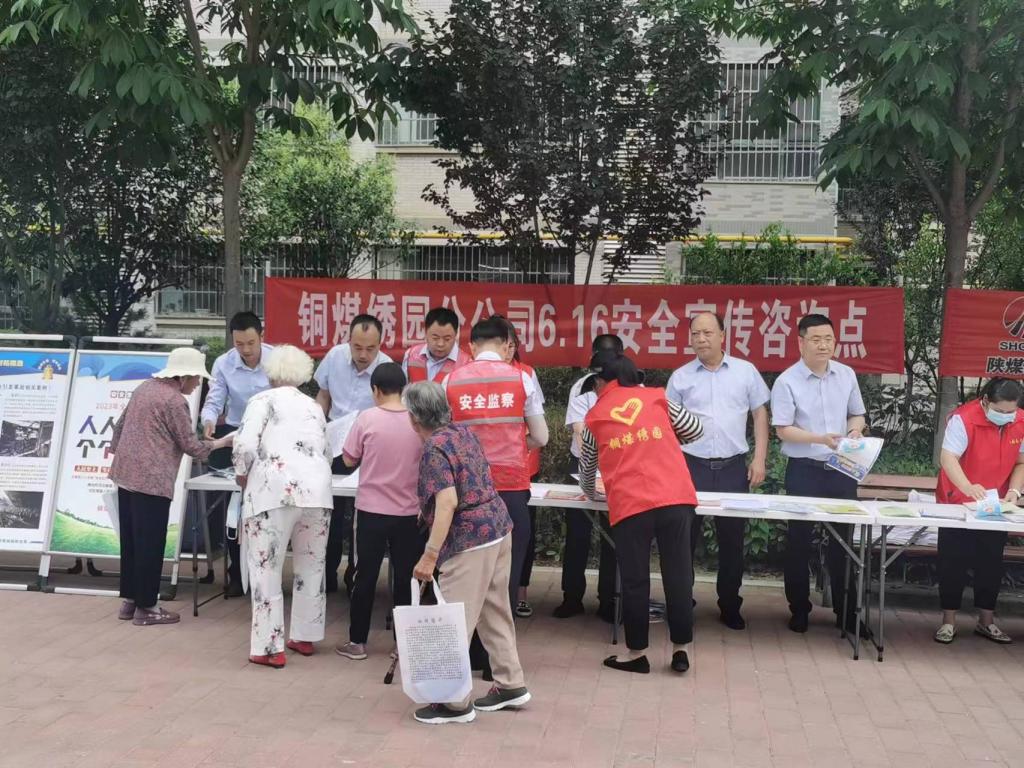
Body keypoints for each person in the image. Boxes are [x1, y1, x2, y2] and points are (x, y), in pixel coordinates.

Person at [406, 382, 530, 724]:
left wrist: (430, 555)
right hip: (498, 526)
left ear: (414, 419)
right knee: (495, 610)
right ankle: (510, 683)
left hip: (469, 539)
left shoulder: (434, 448)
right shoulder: (462, 432)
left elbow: (447, 502)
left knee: (454, 619)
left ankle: (454, 702)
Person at [579, 353, 704, 674]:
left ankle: (637, 653)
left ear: (604, 381)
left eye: (595, 382)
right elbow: (696, 429)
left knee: (635, 580)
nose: (595, 388)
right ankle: (681, 650)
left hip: (631, 504)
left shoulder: (594, 417)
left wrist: (592, 494)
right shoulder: (658, 399)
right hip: (675, 497)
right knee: (679, 574)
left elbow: (587, 469)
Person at [109, 347, 231, 626]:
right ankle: (148, 608)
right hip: (152, 481)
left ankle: (130, 601)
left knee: (132, 541)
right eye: (197, 378)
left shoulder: (144, 388)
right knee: (151, 544)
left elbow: (119, 427)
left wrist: (122, 455)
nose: (198, 383)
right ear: (184, 376)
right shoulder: (175, 401)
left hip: (125, 475)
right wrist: (223, 443)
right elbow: (192, 446)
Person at [666, 312, 770, 630]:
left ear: (723, 335)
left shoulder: (745, 372)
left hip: (732, 467)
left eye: (708, 333)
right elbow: (667, 425)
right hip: (691, 467)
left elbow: (760, 415)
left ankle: (729, 605)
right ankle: (682, 602)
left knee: (732, 541)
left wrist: (759, 459)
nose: (701, 339)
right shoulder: (680, 377)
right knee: (683, 540)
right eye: (696, 334)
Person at [232, 345, 333, 669]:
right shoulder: (314, 407)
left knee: (266, 567)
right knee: (312, 566)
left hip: (272, 491)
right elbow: (326, 451)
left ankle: (268, 646)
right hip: (317, 493)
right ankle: (305, 635)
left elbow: (245, 444)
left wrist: (241, 472)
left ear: (271, 372)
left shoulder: (261, 400)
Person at [443, 317, 548, 610]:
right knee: (506, 572)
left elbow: (442, 436)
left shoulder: (451, 380)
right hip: (511, 487)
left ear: (471, 347)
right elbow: (541, 436)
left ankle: (467, 633)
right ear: (505, 345)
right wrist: (518, 445)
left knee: (465, 570)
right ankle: (500, 631)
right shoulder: (521, 379)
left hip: (466, 489)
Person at [771, 314, 867, 636]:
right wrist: (819, 438)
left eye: (828, 339)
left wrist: (854, 431)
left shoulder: (846, 374)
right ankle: (799, 609)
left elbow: (857, 413)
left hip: (841, 470)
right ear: (800, 342)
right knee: (799, 542)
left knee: (844, 543)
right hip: (804, 471)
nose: (823, 345)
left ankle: (847, 612)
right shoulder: (787, 381)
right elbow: (783, 429)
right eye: (816, 339)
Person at [336, 363, 425, 661]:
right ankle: (403, 645)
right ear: (404, 388)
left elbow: (348, 459)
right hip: (409, 513)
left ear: (375, 390)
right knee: (406, 579)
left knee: (365, 576)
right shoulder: (417, 420)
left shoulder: (366, 418)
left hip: (371, 511)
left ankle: (357, 642)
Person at [934, 378, 1024, 645]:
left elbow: (1021, 462)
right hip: (957, 500)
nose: (1006, 416)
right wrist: (967, 486)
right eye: (1000, 410)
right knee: (952, 560)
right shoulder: (963, 419)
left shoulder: (1020, 421)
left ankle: (986, 621)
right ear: (985, 401)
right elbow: (948, 458)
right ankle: (948, 621)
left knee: (991, 561)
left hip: (994, 504)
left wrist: (1015, 490)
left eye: (1011, 411)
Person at [314, 314, 392, 595]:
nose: (363, 355)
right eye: (357, 347)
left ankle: (355, 576)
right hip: (334, 445)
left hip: (369, 450)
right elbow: (323, 395)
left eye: (370, 349)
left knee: (362, 516)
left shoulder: (387, 368)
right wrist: (316, 424)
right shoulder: (335, 357)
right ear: (348, 341)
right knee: (329, 511)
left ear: (380, 344)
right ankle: (327, 574)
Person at [200, 310, 273, 596]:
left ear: (262, 337)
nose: (246, 350)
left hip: (269, 436)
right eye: (239, 344)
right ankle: (236, 573)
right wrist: (208, 420)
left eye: (251, 343)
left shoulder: (276, 360)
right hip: (236, 434)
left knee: (265, 507)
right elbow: (215, 398)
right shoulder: (223, 363)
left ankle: (264, 573)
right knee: (236, 506)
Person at [556, 334, 623, 621]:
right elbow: (580, 431)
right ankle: (572, 598)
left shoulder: (633, 387)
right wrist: (591, 471)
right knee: (577, 535)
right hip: (582, 464)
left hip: (618, 467)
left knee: (615, 537)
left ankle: (609, 601)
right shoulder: (582, 386)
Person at [492, 315, 545, 619]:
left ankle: (520, 592)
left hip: (522, 466)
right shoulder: (473, 376)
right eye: (503, 344)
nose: (508, 350)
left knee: (522, 531)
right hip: (487, 473)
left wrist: (518, 445)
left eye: (512, 345)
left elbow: (536, 426)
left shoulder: (526, 374)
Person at [401, 307, 471, 383]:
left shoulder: (466, 364)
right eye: (435, 338)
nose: (440, 344)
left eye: (447, 339)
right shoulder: (411, 355)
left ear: (456, 334)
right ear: (425, 332)